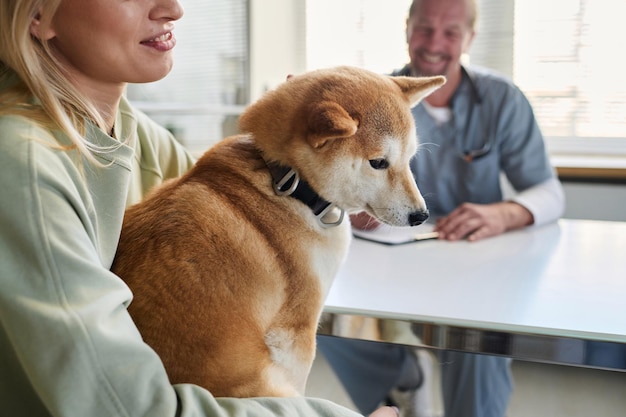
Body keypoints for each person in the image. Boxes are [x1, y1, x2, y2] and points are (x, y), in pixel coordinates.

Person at [0, 1, 400, 417]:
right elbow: (127, 407)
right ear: (38, 15)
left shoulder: (124, 129)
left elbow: (231, 232)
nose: (172, 9)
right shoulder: (22, 166)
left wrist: (291, 139)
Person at [317, 0, 565, 417]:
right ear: (407, 28)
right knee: (325, 311)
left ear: (470, 38)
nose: (434, 43)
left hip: (475, 262)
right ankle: (401, 386)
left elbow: (547, 191)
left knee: (475, 341)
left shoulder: (502, 99)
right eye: (424, 28)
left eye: (450, 33)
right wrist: (354, 201)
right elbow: (331, 178)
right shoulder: (372, 99)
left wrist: (503, 214)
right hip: (389, 262)